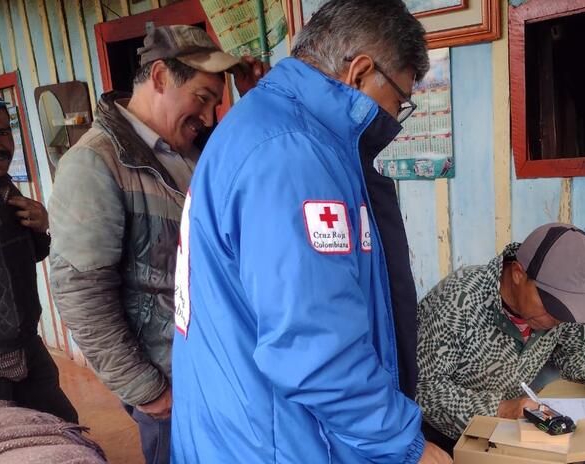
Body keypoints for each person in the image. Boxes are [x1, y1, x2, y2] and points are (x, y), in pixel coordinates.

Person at [170, 1, 451, 463]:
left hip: (250, 427)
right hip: (275, 443)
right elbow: (315, 348)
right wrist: (406, 446)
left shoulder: (271, 126)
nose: (397, 119)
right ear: (360, 73)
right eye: (399, 100)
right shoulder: (292, 154)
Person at [48, 25, 260, 464]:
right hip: (169, 387)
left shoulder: (189, 152)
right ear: (160, 77)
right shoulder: (94, 162)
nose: (207, 114)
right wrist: (148, 391)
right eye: (202, 98)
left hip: (212, 371)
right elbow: (81, 294)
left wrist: (254, 101)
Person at [417, 223, 585, 450]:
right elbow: (424, 390)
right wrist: (498, 410)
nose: (559, 319)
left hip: (509, 433)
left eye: (567, 310)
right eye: (553, 305)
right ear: (518, 274)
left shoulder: (553, 312)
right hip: (441, 440)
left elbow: (581, 348)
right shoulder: (459, 300)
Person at [0, 83, 77, 423]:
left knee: (64, 427)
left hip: (28, 345)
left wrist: (41, 224)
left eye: (2, 131)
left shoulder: (4, 189)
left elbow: (28, 256)